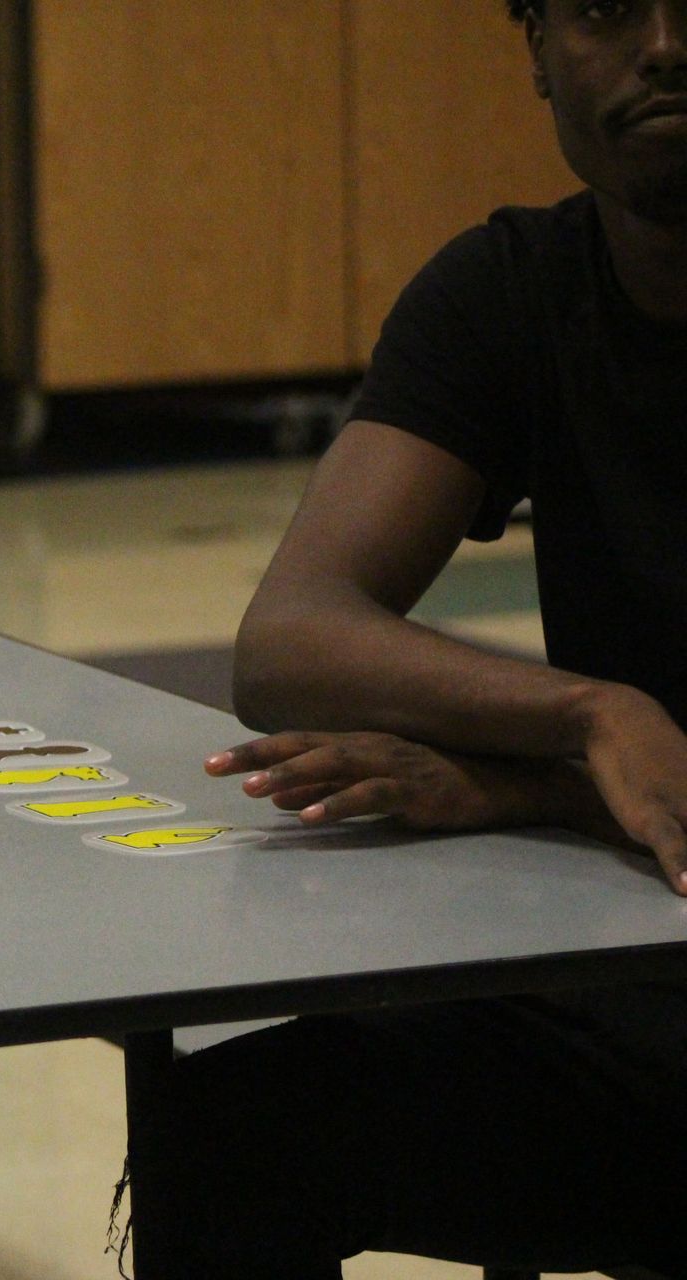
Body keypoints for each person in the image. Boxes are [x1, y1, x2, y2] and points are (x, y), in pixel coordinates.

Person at [129, 0, 687, 1274]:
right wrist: (590, 712)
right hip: (644, 982)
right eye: (607, 6)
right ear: (537, 49)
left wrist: (524, 783)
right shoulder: (513, 288)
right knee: (234, 1131)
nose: (663, 44)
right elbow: (290, 639)